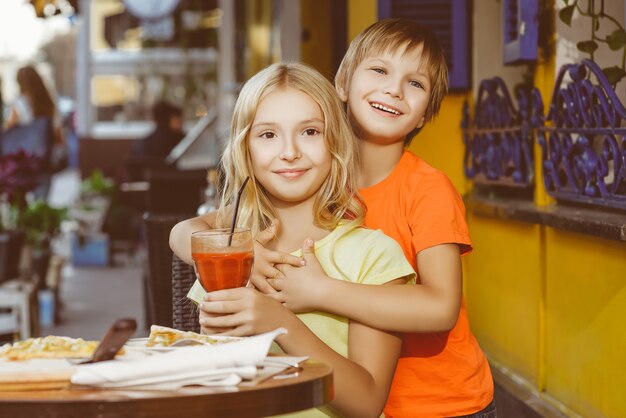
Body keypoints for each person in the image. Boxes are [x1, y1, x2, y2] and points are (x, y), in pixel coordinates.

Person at [171, 19, 496, 418]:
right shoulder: (320, 185)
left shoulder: (426, 189)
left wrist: (318, 292)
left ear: (426, 113)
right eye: (379, 70)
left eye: (415, 83)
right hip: (360, 391)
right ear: (342, 83)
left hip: (438, 400)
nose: (393, 89)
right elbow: (188, 231)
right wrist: (245, 250)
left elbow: (441, 308)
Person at [185, 62, 415, 417]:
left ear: (334, 141)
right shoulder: (232, 253)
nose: (289, 151)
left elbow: (367, 403)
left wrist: (278, 323)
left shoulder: (373, 256)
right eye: (267, 135)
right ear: (244, 149)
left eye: (309, 132)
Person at [4, 65, 57, 130]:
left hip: (25, 139)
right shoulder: (47, 101)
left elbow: (9, 127)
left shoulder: (20, 103)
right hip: (46, 139)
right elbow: (56, 129)